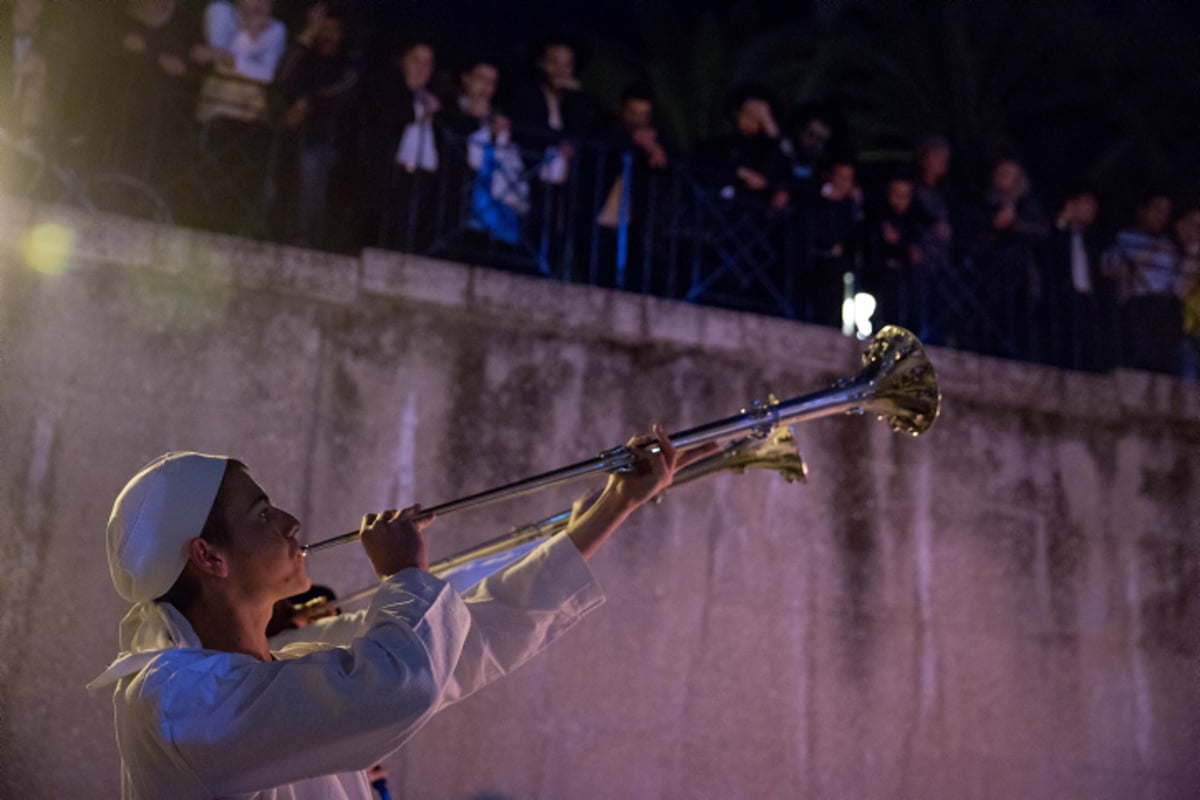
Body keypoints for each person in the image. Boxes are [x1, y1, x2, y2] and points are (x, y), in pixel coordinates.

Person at [90, 425, 700, 799]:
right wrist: (404, 573)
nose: (290, 523)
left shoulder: (285, 669)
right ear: (208, 556)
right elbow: (399, 685)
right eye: (262, 515)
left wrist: (617, 503)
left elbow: (468, 633)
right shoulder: (170, 699)